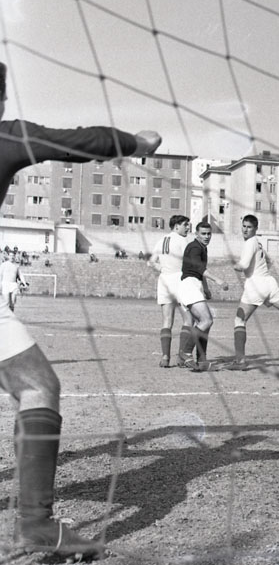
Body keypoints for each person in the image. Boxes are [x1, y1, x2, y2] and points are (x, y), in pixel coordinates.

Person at [0, 60, 162, 558]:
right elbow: (80, 141)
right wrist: (135, 142)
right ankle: (35, 525)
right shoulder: (6, 137)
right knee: (37, 385)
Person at [225, 214, 279, 371]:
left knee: (239, 320)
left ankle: (240, 361)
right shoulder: (258, 243)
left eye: (249, 227)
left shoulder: (250, 243)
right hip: (269, 283)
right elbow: (270, 261)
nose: (245, 229)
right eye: (244, 226)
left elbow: (243, 265)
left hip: (256, 285)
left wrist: (235, 265)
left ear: (255, 229)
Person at [179, 221, 228, 371]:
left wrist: (206, 289)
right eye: (203, 234)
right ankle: (185, 352)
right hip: (189, 286)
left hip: (195, 285)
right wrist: (217, 280)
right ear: (196, 234)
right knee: (207, 320)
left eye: (209, 234)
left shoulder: (202, 248)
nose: (207, 236)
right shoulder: (194, 247)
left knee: (204, 324)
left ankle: (202, 360)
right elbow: (198, 268)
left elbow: (200, 271)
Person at [147, 215, 193, 368]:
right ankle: (182, 356)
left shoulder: (161, 240)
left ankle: (165, 357)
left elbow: (150, 262)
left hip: (164, 281)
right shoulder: (182, 241)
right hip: (180, 280)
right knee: (188, 319)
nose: (188, 228)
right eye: (185, 225)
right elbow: (190, 263)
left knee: (167, 321)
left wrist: (162, 269)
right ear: (176, 226)